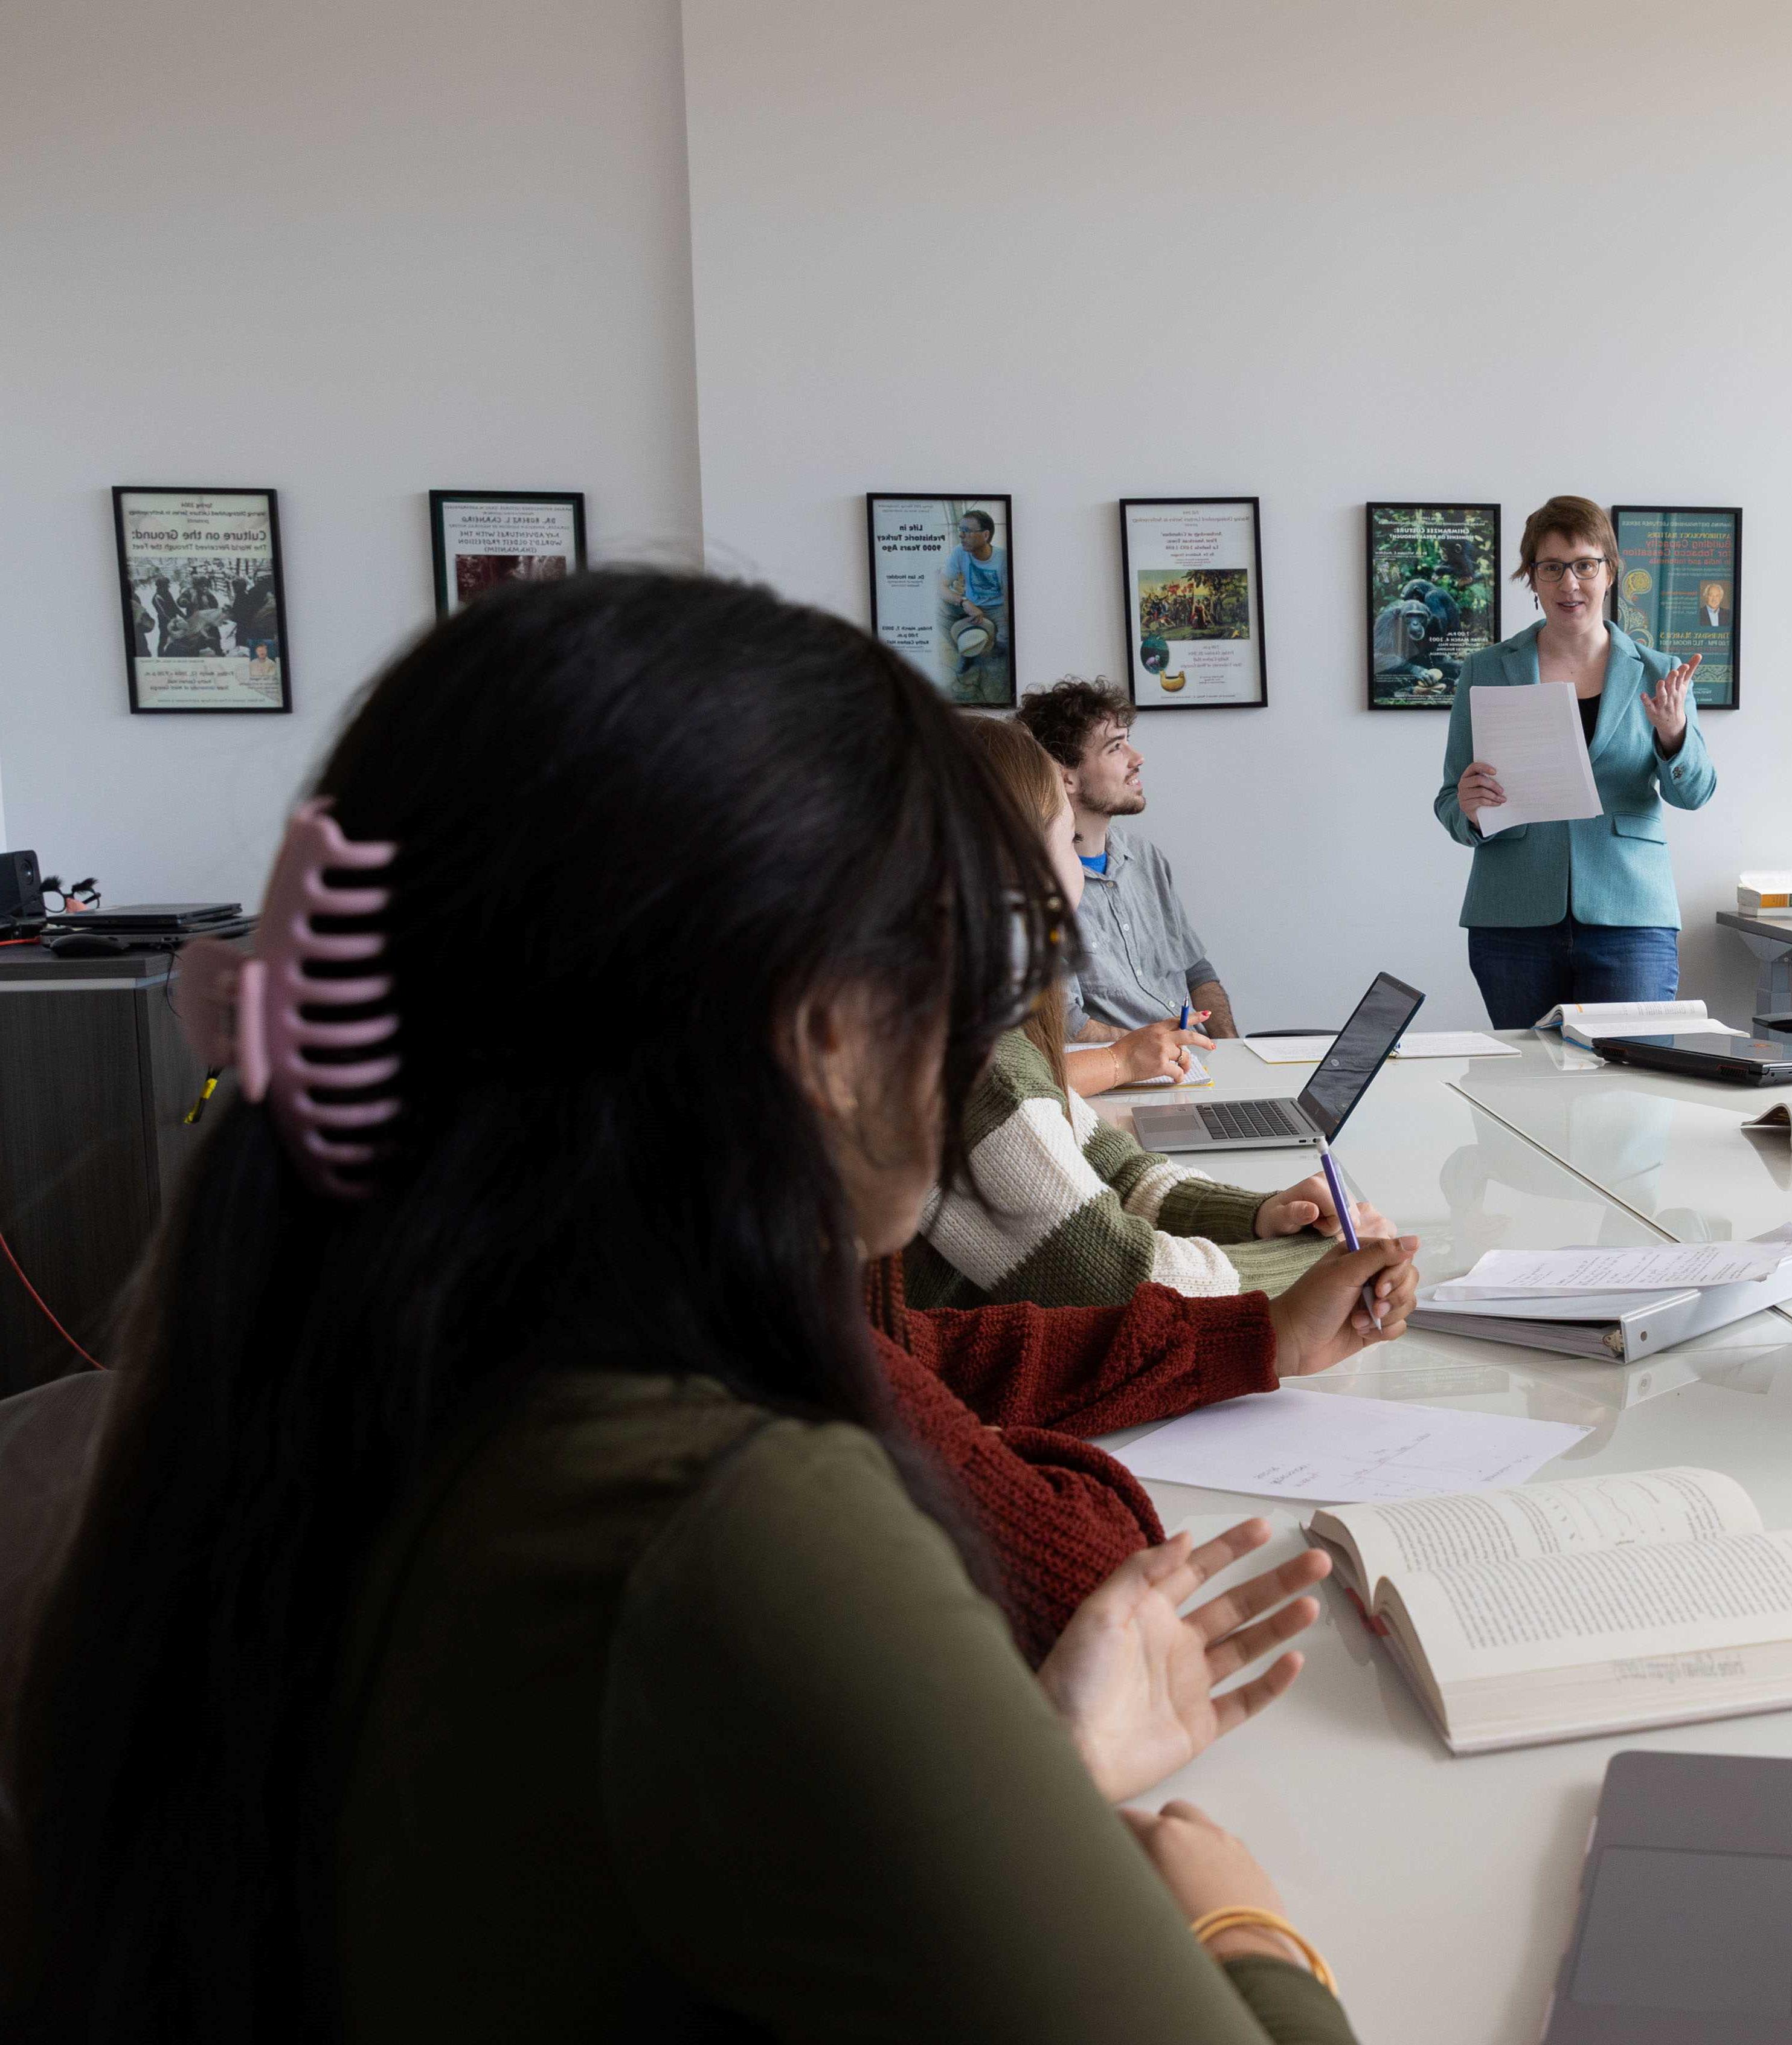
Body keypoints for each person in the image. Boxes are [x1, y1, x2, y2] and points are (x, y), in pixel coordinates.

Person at [0, 571, 1389, 2041]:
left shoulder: (326, 1367)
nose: (984, 1014)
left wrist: (1027, 1761)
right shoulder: (724, 1510)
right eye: (979, 958)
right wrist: (1243, 1930)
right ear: (823, 1026)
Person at [917, 717, 1375, 1312]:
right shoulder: (982, 1065)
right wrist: (1330, 1261)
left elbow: (1118, 1171)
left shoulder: (985, 1027)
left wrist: (1259, 1215)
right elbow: (1122, 1278)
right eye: (1065, 835)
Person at [1435, 495, 1715, 1027]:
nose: (1570, 584)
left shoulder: (1661, 671)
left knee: (1630, 1084)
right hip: (1513, 917)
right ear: (1532, 578)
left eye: (1585, 565)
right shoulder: (1487, 669)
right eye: (1552, 568)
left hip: (1630, 914)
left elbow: (1695, 793)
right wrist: (1469, 808)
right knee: (1528, 1091)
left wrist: (1674, 734)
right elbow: (1451, 798)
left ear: (1610, 572)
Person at [1015, 675, 1241, 1042]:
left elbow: (1195, 971)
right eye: (1115, 747)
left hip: (1193, 1062)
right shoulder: (1035, 882)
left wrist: (1232, 1052)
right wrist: (1152, 1054)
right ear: (1066, 777)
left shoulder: (1145, 858)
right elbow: (1067, 1027)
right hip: (1126, 1077)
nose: (1138, 759)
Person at [935, 506, 1009, 704]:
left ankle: (985, 659)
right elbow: (940, 586)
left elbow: (1009, 600)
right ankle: (968, 650)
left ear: (986, 535)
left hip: (999, 608)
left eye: (967, 531)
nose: (961, 535)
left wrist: (1000, 627)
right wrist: (964, 601)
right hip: (971, 604)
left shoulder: (1002, 559)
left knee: (1003, 644)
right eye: (960, 530)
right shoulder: (960, 552)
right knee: (938, 609)